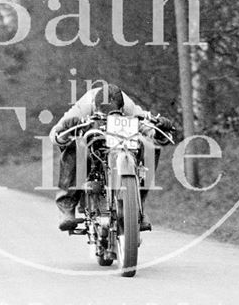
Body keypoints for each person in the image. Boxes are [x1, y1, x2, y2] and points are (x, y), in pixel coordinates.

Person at [49, 83, 173, 231]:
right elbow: (55, 135)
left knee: (149, 147)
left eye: (115, 114)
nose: (110, 119)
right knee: (74, 146)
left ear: (121, 109)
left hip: (119, 145)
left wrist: (159, 130)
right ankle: (67, 208)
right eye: (105, 116)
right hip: (92, 142)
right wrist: (66, 129)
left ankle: (138, 207)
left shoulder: (129, 107)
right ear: (95, 109)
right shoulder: (83, 107)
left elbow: (149, 131)